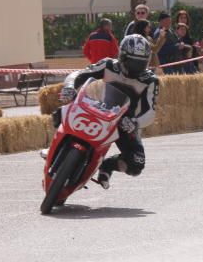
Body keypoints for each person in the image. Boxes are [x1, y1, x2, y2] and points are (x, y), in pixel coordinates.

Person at [58, 35, 159, 190]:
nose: (136, 68)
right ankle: (56, 148)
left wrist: (135, 122)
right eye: (133, 63)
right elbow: (80, 74)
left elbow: (150, 111)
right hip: (100, 108)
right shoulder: (108, 65)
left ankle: (107, 165)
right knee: (60, 113)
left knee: (137, 163)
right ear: (123, 56)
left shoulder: (150, 80)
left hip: (125, 122)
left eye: (141, 63)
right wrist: (70, 86)